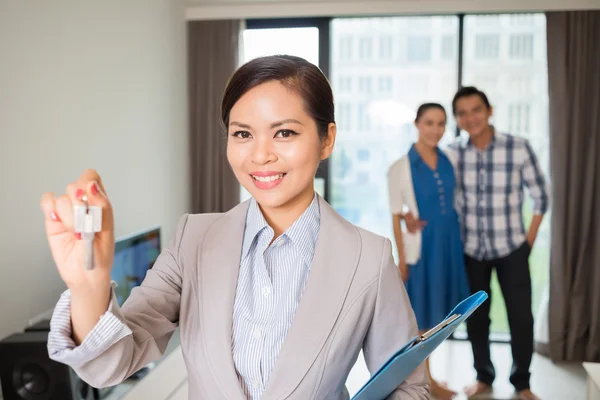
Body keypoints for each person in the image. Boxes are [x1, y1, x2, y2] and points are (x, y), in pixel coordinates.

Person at [40, 55, 429, 399]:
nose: (260, 155)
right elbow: (112, 365)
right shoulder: (193, 239)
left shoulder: (368, 258)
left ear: (327, 139)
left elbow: (408, 385)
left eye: (285, 132)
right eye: (242, 134)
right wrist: (87, 287)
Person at [448, 86, 548, 400]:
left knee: (521, 317)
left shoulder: (518, 147)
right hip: (472, 251)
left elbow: (541, 197)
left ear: (489, 110)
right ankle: (484, 377)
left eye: (476, 109)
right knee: (477, 319)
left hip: (512, 249)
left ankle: (522, 383)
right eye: (462, 113)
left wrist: (527, 243)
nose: (470, 117)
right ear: (457, 119)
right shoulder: (452, 153)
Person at [387, 103, 470, 400]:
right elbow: (396, 215)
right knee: (422, 316)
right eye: (429, 123)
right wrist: (401, 259)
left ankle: (428, 379)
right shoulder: (400, 168)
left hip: (449, 244)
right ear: (417, 124)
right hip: (423, 248)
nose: (436, 130)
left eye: (441, 124)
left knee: (439, 314)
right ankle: (426, 381)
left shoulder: (448, 159)